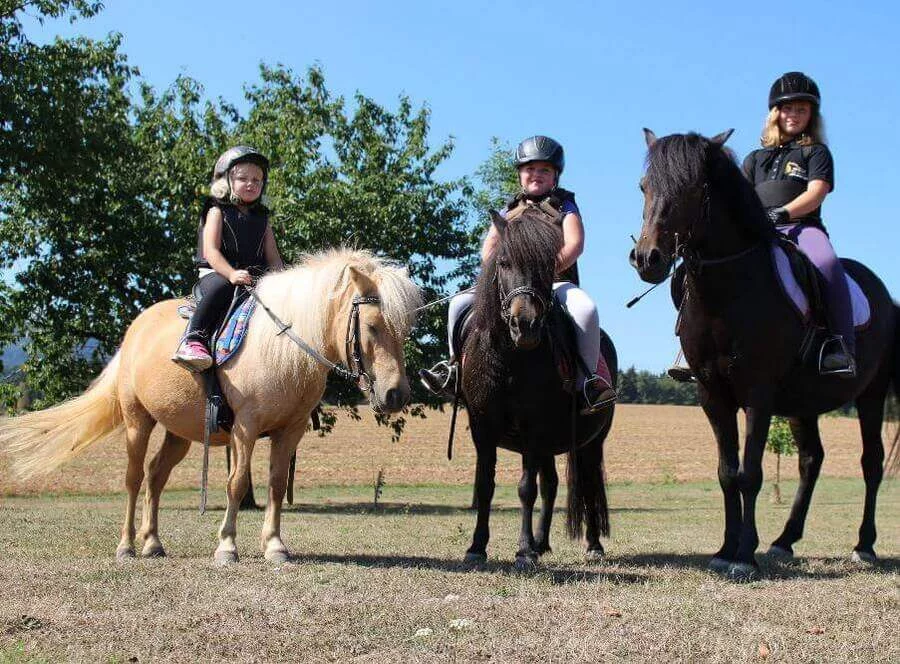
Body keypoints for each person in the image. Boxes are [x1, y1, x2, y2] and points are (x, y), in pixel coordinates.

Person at [419, 136, 616, 413]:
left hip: (553, 282)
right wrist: (500, 274)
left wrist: (544, 271)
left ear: (555, 176)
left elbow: (575, 244)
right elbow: (489, 248)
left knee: (586, 310)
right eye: (530, 169)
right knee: (458, 304)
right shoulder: (509, 210)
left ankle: (588, 384)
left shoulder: (565, 206)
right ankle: (454, 370)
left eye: (544, 171)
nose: (536, 175)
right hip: (509, 285)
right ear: (520, 174)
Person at [743, 71, 855, 376]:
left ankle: (839, 345)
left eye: (801, 109)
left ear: (811, 116)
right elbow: (742, 198)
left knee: (827, 263)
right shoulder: (755, 159)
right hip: (759, 232)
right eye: (788, 108)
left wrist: (783, 213)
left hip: (801, 228)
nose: (794, 115)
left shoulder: (815, 152)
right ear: (775, 113)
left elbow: (816, 192)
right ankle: (691, 347)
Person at [172, 146, 285, 372]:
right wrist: (231, 274)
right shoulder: (217, 211)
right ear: (226, 181)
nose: (251, 184)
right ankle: (193, 338)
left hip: (253, 277)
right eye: (243, 178)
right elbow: (211, 251)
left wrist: (284, 281)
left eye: (257, 179)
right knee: (222, 287)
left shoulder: (263, 219)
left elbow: (274, 258)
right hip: (218, 272)